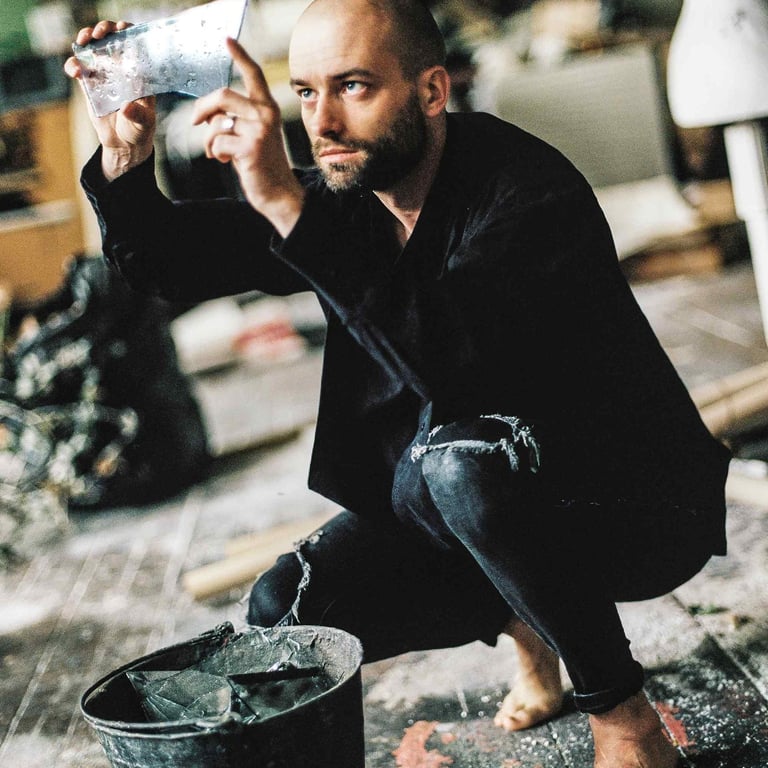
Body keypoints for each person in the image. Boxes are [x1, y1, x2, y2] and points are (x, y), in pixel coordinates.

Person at [66, 1, 731, 765]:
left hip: (628, 508)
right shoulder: (352, 194)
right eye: (306, 92)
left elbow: (452, 363)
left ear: (432, 91)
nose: (322, 122)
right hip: (463, 504)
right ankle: (529, 621)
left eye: (353, 86)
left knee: (460, 463)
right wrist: (125, 156)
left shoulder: (527, 192)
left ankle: (622, 714)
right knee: (287, 612)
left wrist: (285, 204)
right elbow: (168, 265)